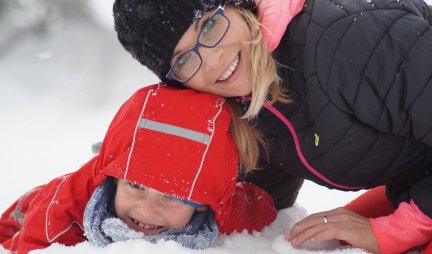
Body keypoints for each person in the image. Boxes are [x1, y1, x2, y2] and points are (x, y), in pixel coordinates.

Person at [112, 0, 432, 253]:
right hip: (415, 182)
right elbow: (259, 198)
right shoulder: (248, 101)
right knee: (324, 242)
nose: (211, 60)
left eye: (209, 26)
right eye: (183, 60)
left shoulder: (344, 42)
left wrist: (400, 230)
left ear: (239, 5)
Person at [0, 85, 277, 254]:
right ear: (116, 179)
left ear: (205, 205)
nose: (146, 210)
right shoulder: (62, 210)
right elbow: (28, 247)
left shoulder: (221, 212)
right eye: (136, 187)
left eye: (171, 197)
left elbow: (259, 208)